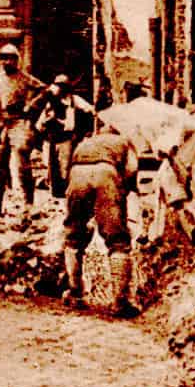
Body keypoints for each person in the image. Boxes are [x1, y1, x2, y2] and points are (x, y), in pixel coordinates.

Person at [62, 126, 141, 318]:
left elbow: (65, 169)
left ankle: (75, 293)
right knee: (118, 241)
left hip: (77, 174)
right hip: (105, 174)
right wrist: (124, 191)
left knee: (73, 236)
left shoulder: (86, 142)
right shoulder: (124, 142)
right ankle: (120, 301)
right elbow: (131, 170)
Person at [0, 43, 47, 230]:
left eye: (11, 58)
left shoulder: (25, 78)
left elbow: (44, 90)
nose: (7, 61)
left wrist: (31, 106)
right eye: (4, 58)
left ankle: (28, 206)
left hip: (19, 122)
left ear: (17, 60)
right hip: (0, 123)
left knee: (23, 164)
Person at [35, 75, 96, 199]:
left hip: (65, 138)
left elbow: (91, 110)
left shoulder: (74, 100)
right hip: (51, 138)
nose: (60, 89)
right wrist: (45, 123)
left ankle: (67, 191)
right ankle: (54, 189)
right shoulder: (50, 103)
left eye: (63, 86)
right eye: (58, 86)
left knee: (65, 166)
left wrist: (88, 129)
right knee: (50, 165)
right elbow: (40, 124)